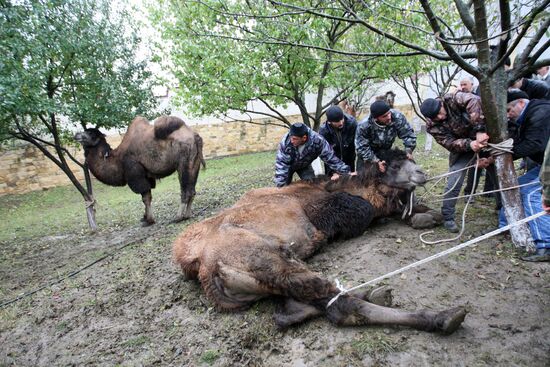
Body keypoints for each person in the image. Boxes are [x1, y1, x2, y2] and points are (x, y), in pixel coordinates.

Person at [420, 92, 490, 233]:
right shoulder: (431, 126)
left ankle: (503, 212)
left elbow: (474, 100)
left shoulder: (453, 99)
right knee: (454, 181)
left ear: (441, 104)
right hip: (464, 149)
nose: (440, 117)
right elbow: (449, 143)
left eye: (440, 113)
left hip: (487, 138)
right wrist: (469, 144)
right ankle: (448, 217)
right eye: (435, 117)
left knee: (498, 174)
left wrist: (480, 130)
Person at [499, 90, 550, 261]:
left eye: (509, 110)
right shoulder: (529, 114)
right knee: (514, 185)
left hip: (547, 165)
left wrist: (504, 155)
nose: (508, 115)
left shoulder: (541, 113)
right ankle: (504, 226)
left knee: (531, 195)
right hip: (543, 164)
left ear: (521, 103)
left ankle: (545, 245)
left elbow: (534, 144)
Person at [274, 122, 350, 187]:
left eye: (294, 139)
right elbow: (281, 166)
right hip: (288, 167)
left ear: (304, 138)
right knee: (284, 188)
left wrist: (346, 173)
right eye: (291, 137)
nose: (291, 141)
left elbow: (330, 158)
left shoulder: (317, 141)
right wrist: (280, 188)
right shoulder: (285, 143)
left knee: (311, 186)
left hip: (304, 165)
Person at [355, 100, 416, 173]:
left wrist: (408, 151)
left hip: (386, 151)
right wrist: (375, 162)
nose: (389, 117)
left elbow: (408, 134)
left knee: (402, 172)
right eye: (384, 116)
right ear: (376, 118)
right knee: (364, 179)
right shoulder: (364, 126)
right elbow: (362, 148)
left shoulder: (397, 117)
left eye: (389, 113)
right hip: (368, 155)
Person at [319, 105, 358, 176]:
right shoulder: (324, 131)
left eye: (342, 119)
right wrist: (332, 172)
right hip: (332, 162)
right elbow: (326, 154)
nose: (341, 123)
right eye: (337, 121)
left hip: (349, 158)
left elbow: (358, 142)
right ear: (329, 122)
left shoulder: (352, 123)